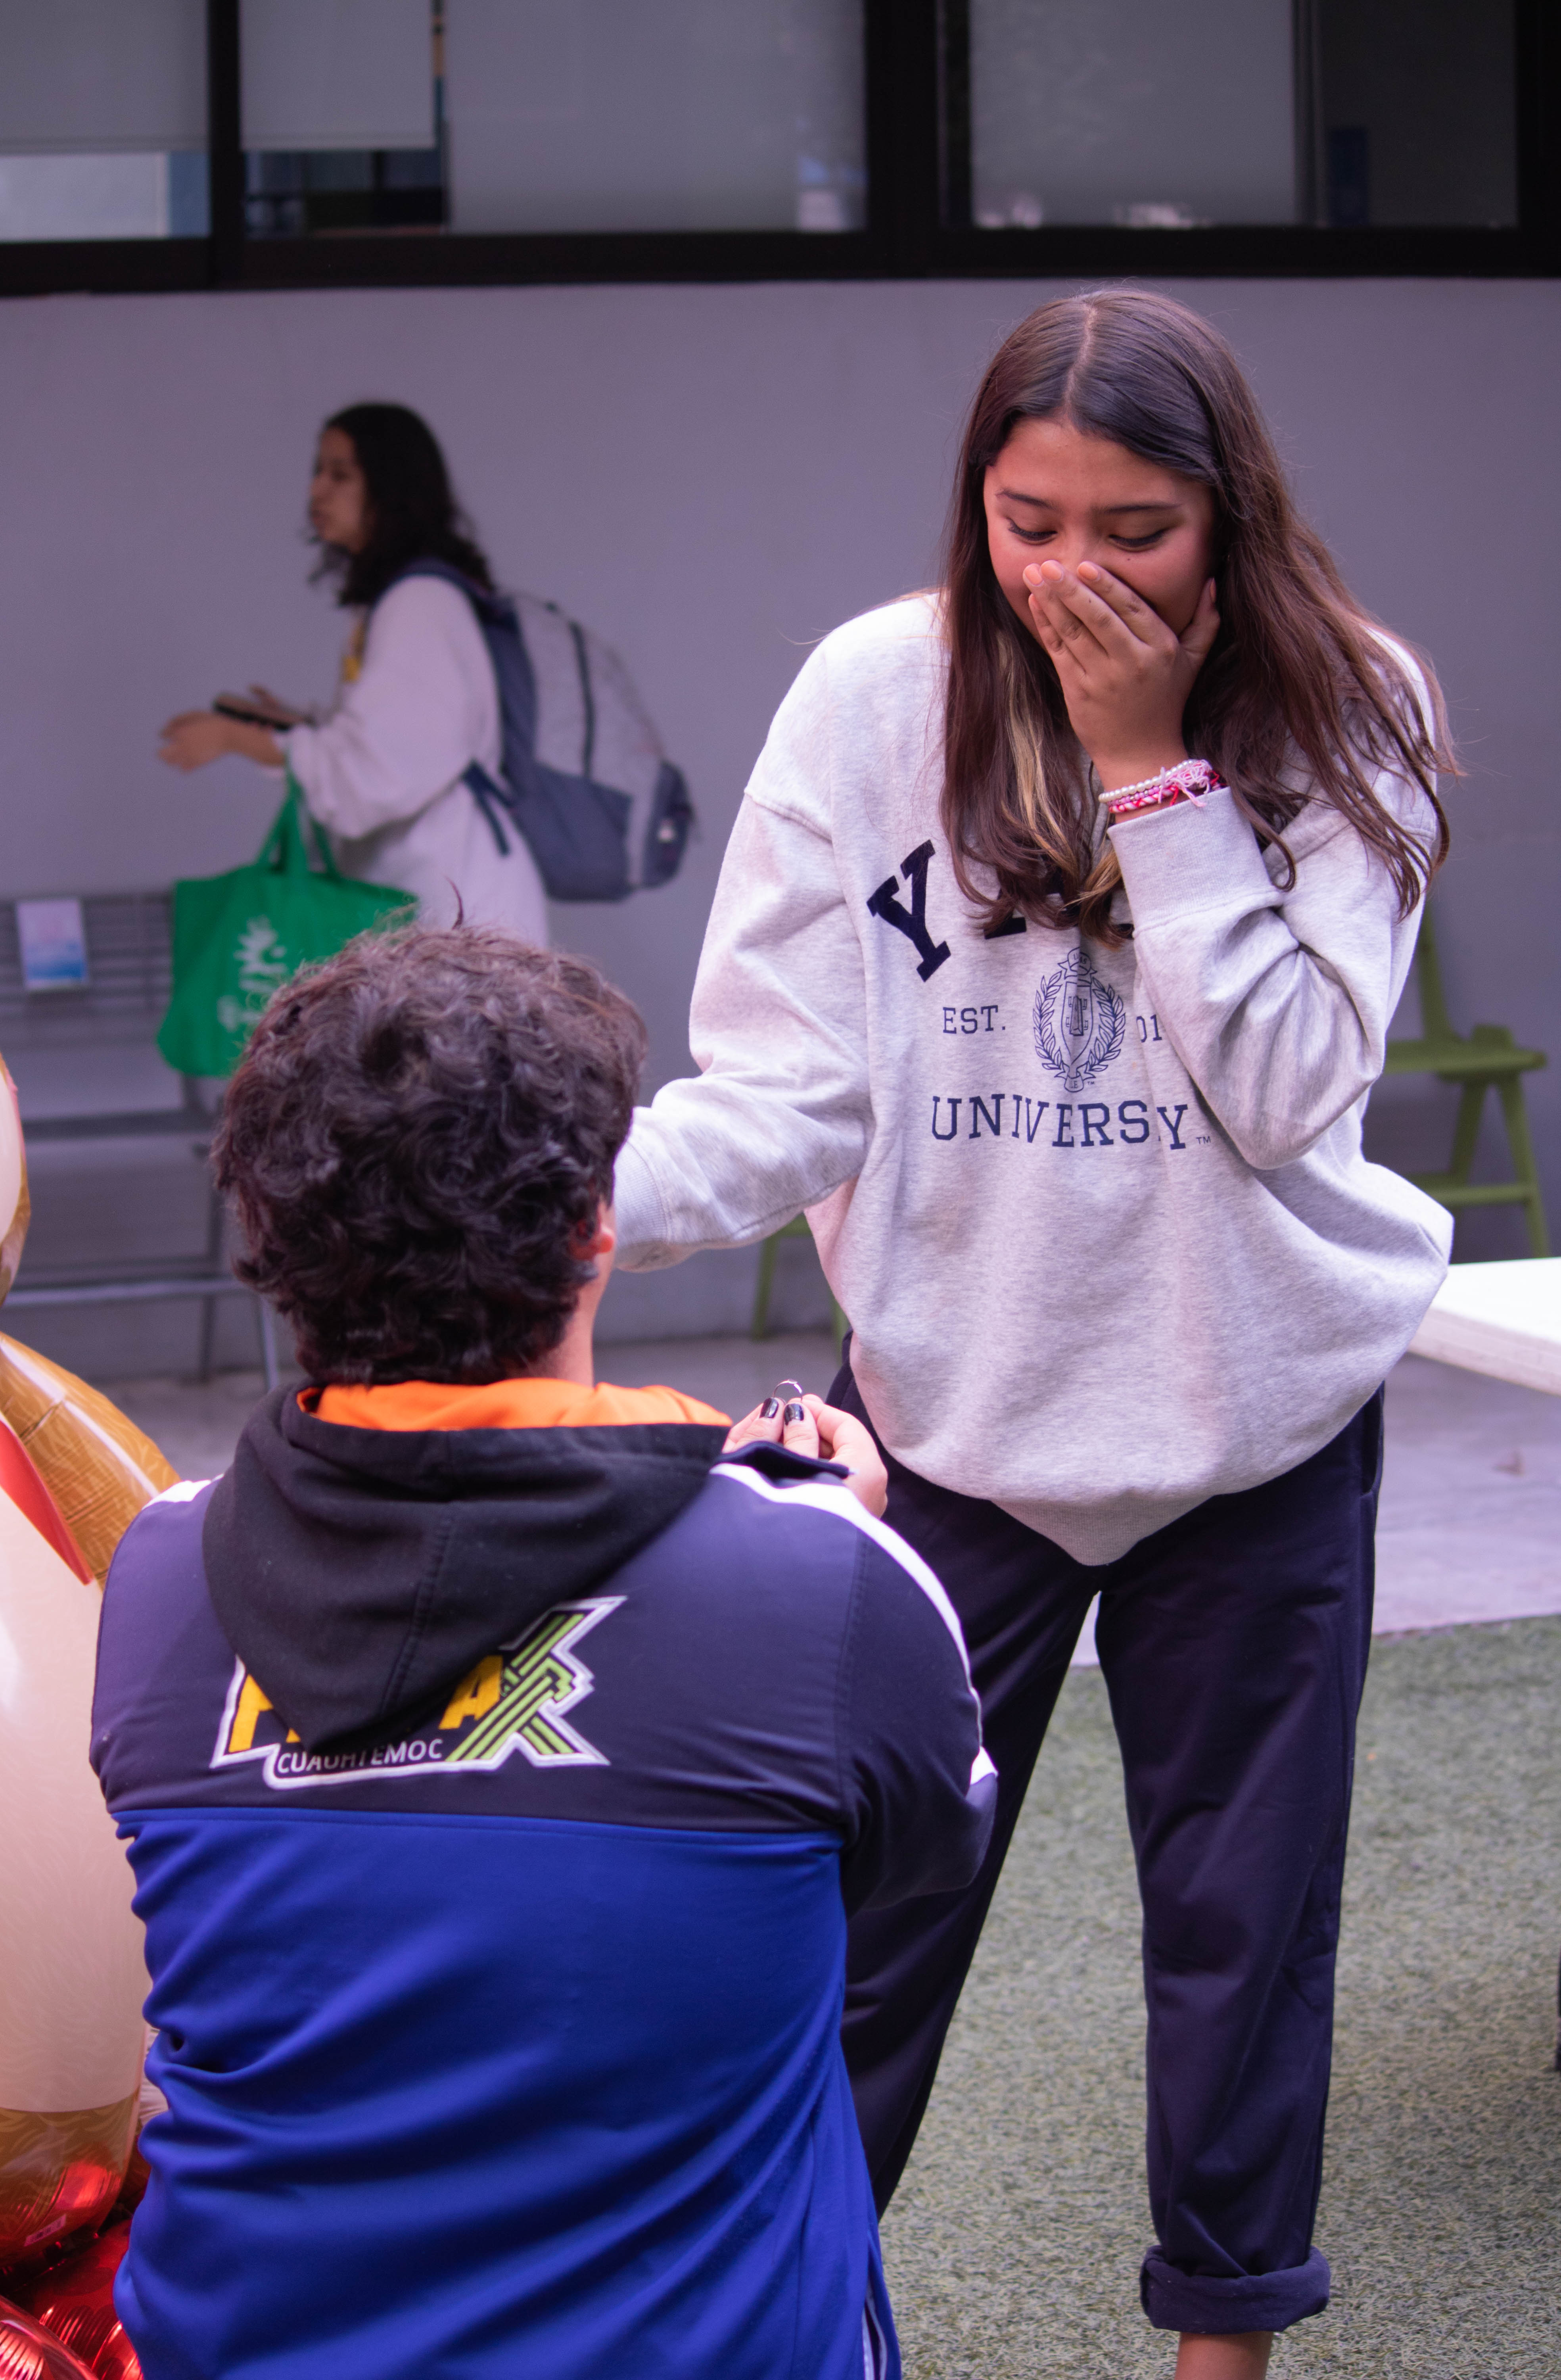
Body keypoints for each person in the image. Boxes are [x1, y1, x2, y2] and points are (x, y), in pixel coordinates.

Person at [610, 290, 1454, 2379]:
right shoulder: (873, 694)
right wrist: (555, 1206)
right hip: (953, 1420)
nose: (1076, 574)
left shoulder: (1354, 712)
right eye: (1027, 518)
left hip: (1253, 1420)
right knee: (857, 1921)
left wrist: (1155, 774)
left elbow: (1284, 1088)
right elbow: (797, 1079)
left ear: (1230, 523)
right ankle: (785, 2323)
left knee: (1245, 1937)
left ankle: (1222, 2356)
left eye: (1137, 529)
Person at [90, 925, 993, 2380]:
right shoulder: (828, 1583)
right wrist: (812, 1539)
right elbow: (924, 1861)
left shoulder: (152, 1580)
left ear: (269, 1239)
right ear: (596, 1228)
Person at [157, 405, 680, 936]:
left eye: (340, 474)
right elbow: (397, 746)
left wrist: (236, 739)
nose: (317, 490)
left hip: (456, 915)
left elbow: (379, 776)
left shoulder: (420, 605)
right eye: (318, 472)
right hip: (445, 906)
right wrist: (294, 728)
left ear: (390, 488)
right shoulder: (406, 601)